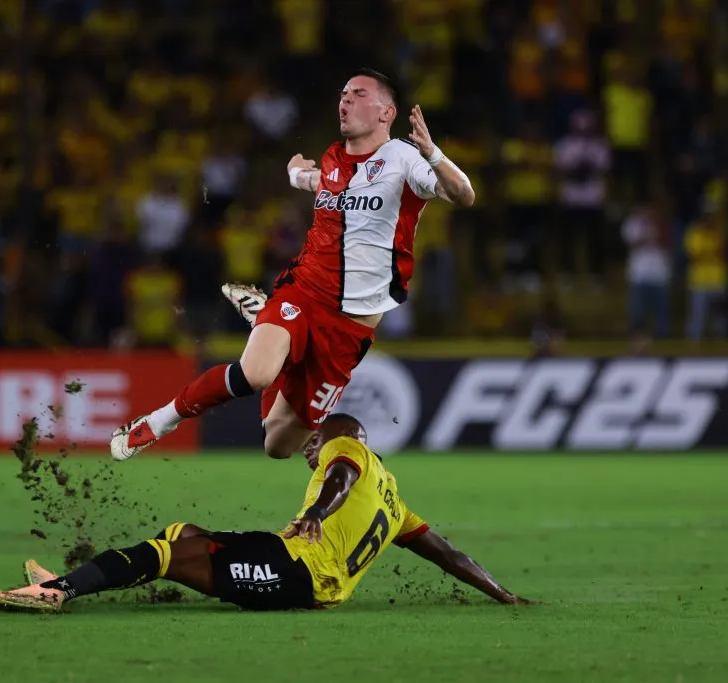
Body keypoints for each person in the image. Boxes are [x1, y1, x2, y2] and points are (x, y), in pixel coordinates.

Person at [111, 68, 475, 462]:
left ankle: (267, 326)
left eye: (358, 93)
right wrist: (293, 173)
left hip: (351, 327)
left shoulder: (404, 158)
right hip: (304, 291)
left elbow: (464, 194)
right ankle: (157, 422)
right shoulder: (334, 159)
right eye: (343, 92)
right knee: (256, 374)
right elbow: (319, 181)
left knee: (278, 445)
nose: (345, 100)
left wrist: (433, 153)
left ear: (387, 112)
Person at [0, 414, 527, 612]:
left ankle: (59, 592)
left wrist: (317, 508)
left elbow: (341, 477)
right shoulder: (398, 504)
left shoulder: (350, 450)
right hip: (302, 577)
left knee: (166, 552)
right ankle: (72, 578)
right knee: (182, 533)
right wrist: (499, 591)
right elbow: (446, 553)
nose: (310, 446)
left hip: (296, 571)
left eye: (315, 437)